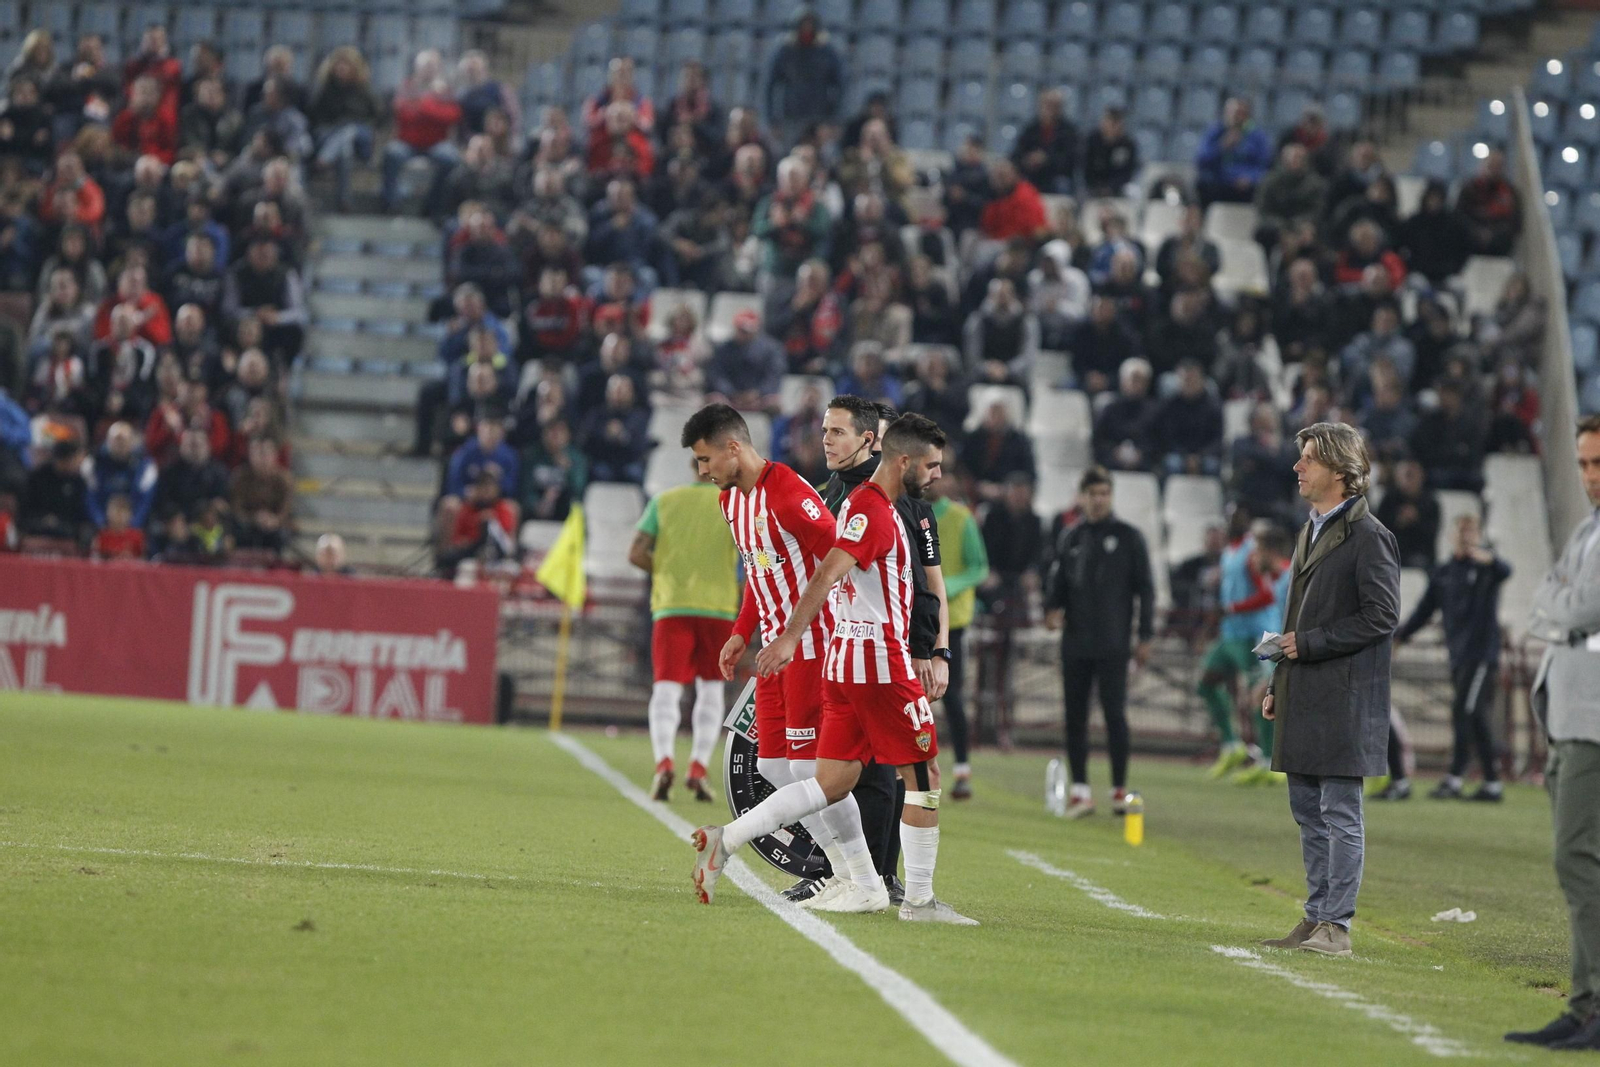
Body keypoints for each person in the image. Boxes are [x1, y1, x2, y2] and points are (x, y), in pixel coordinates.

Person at [693, 413, 976, 924]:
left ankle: (741, 843)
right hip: (872, 661)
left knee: (824, 779)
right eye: (932, 466)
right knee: (923, 774)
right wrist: (789, 634)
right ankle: (917, 902)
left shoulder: (863, 504)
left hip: (836, 657)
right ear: (904, 460)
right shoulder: (869, 509)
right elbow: (827, 571)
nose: (937, 476)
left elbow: (817, 572)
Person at [679, 403, 880, 911]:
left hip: (813, 648)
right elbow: (761, 570)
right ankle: (842, 874)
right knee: (771, 765)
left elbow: (839, 561)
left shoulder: (788, 492)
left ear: (733, 448)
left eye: (705, 461)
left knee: (813, 773)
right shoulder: (732, 503)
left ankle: (864, 879)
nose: (703, 473)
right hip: (775, 651)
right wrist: (741, 632)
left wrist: (796, 634)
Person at [1258, 422, 1401, 958]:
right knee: (1307, 811)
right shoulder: (1310, 529)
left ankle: (1337, 926)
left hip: (1344, 696)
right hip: (1306, 691)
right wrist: (1278, 678)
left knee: (1340, 812)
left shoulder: (1370, 536)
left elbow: (1383, 616)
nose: (1298, 467)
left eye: (1309, 459)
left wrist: (1308, 645)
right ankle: (1317, 914)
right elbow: (1294, 618)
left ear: (1341, 470)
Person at [1508, 415, 1600, 1049]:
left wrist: (1563, 607)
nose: (1591, 477)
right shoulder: (1588, 529)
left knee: (1576, 859)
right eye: (1586, 464)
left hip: (1593, 720)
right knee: (1582, 864)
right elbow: (1551, 598)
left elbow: (1580, 608)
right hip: (1569, 713)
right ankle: (1583, 1006)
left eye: (1599, 464)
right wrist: (1564, 607)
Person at [1044, 466, 1156, 817]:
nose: (1098, 500)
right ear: (1083, 497)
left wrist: (1145, 635)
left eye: (1104, 493)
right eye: (1093, 494)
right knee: (1075, 716)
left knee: (1114, 715)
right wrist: (1051, 610)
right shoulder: (1071, 537)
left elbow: (1146, 590)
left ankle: (1118, 789)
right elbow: (1057, 583)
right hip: (1075, 641)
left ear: (1111, 496)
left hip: (1113, 642)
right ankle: (1079, 790)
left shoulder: (1129, 537)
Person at [629, 461, 742, 803]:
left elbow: (635, 552)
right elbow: (754, 555)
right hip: (718, 608)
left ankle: (664, 761)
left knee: (666, 689)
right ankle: (698, 768)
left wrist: (664, 570)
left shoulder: (664, 501)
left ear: (692, 464)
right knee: (710, 691)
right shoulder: (732, 503)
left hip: (672, 607)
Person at [1395, 513, 1509, 801]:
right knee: (1470, 714)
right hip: (1458, 655)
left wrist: (1491, 559)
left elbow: (1506, 570)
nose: (1466, 537)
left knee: (1466, 711)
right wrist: (1400, 636)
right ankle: (1490, 783)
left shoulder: (1486, 568)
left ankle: (1458, 777)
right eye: (1461, 531)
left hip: (1482, 654)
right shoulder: (1444, 573)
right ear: (1451, 535)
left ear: (1478, 535)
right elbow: (1425, 610)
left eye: (1471, 531)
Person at [927, 473, 989, 800]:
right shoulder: (909, 510)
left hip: (952, 623)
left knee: (951, 695)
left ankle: (962, 769)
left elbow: (979, 567)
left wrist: (948, 585)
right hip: (919, 617)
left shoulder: (961, 518)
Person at [1195, 97, 1272, 207]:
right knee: (1202, 183)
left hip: (1247, 184)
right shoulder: (1215, 132)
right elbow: (1202, 161)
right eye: (1234, 112)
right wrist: (1221, 147)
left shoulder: (1257, 136)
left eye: (1241, 113)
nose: (1237, 117)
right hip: (1220, 182)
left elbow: (1264, 165)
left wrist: (1250, 178)